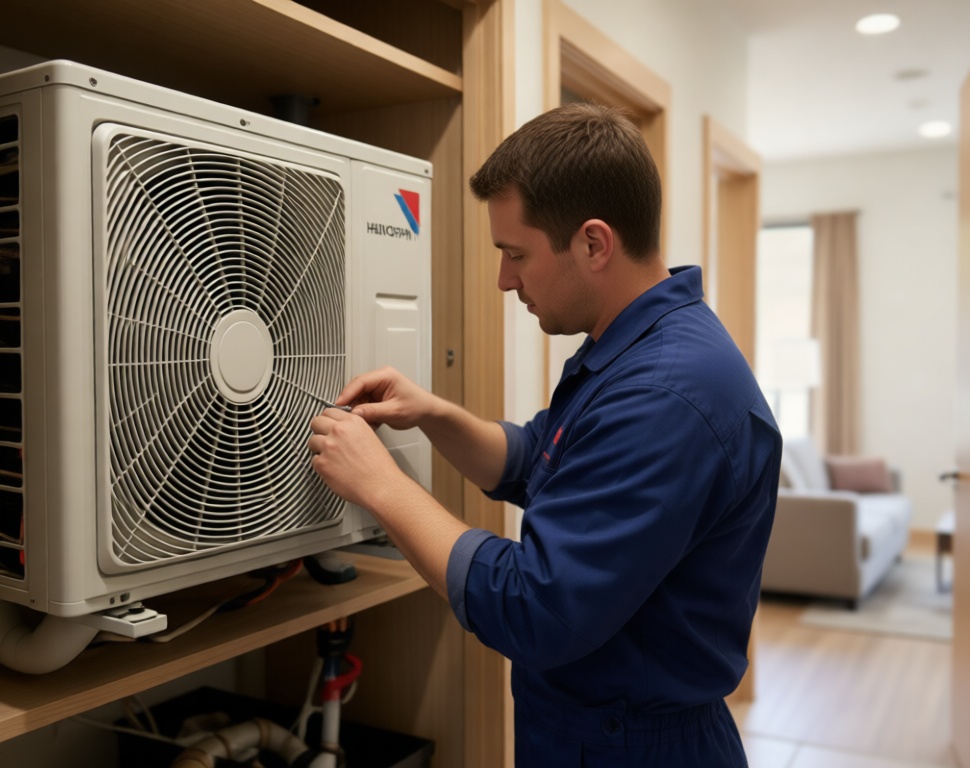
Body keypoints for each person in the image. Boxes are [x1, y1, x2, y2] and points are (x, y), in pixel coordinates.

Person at [307, 102, 780, 767]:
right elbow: (544, 460)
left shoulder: (666, 396)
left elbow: (536, 605)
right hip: (594, 730)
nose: (504, 280)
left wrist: (381, 485)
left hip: (634, 747)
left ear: (593, 243)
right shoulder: (635, 345)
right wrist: (435, 414)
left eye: (515, 254)